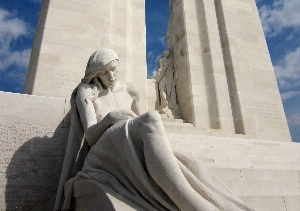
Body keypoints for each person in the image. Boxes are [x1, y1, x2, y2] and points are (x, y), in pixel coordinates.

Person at [55, 48, 255, 211]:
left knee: (191, 164)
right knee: (151, 118)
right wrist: (111, 117)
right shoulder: (87, 91)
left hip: (129, 140)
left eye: (114, 69)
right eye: (104, 72)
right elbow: (90, 136)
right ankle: (195, 206)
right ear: (95, 74)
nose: (110, 76)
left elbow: (142, 122)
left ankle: (205, 202)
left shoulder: (131, 90)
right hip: (104, 148)